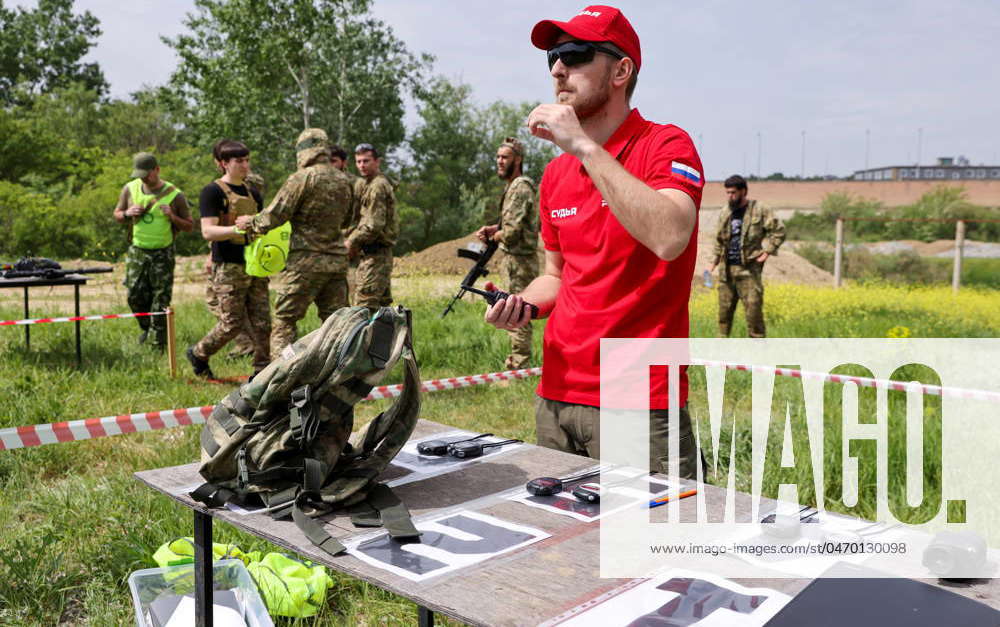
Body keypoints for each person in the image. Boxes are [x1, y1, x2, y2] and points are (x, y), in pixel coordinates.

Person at [484, 6, 704, 478]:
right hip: (557, 396)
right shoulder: (555, 173)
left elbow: (670, 237)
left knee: (655, 550)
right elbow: (556, 276)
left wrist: (584, 145)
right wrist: (522, 304)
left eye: (576, 54)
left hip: (638, 403)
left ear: (621, 70)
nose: (558, 69)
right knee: (562, 550)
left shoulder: (665, 146)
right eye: (552, 58)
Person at [235, 128, 354, 358]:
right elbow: (348, 219)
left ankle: (280, 376)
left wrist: (250, 222)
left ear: (303, 151)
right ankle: (341, 373)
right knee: (337, 323)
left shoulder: (302, 178)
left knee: (285, 320)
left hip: (305, 264)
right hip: (337, 262)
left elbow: (276, 214)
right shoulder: (345, 180)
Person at [187, 140, 271, 379]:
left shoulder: (253, 193)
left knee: (263, 323)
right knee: (232, 323)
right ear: (224, 164)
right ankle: (199, 353)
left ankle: (262, 371)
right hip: (227, 265)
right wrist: (237, 229)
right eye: (239, 161)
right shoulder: (212, 192)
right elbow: (208, 231)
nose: (245, 165)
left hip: (255, 264)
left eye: (247, 160)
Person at [113, 152, 193, 349]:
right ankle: (146, 327)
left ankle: (159, 344)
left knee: (161, 298)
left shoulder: (176, 194)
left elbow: (190, 225)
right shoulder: (130, 189)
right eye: (139, 174)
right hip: (137, 250)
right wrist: (126, 213)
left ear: (156, 170)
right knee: (134, 294)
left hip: (163, 252)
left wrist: (173, 216)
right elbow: (117, 214)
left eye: (146, 174)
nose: (143, 178)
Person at [476, 136, 539, 369]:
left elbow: (512, 233)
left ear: (518, 160)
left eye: (505, 157)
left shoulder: (520, 187)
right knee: (511, 310)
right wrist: (495, 229)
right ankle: (515, 361)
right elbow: (510, 225)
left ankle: (520, 367)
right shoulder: (512, 187)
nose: (499, 162)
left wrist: (494, 236)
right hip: (514, 260)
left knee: (516, 311)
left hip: (520, 261)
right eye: (498, 157)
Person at [708, 175, 786, 338]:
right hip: (727, 271)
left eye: (733, 192)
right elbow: (719, 240)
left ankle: (757, 356)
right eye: (728, 193)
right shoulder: (725, 212)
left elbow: (779, 231)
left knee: (754, 314)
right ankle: (719, 355)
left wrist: (767, 252)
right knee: (723, 316)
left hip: (749, 271)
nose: (730, 196)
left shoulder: (760, 209)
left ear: (743, 191)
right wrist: (712, 264)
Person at [204, 170, 265, 359]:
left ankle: (247, 346)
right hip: (233, 256)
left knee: (227, 308)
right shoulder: (222, 192)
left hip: (240, 259)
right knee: (231, 308)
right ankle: (247, 345)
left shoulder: (248, 194)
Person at [346, 143, 397, 311]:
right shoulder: (364, 184)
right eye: (359, 161)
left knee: (364, 308)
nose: (362, 165)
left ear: (377, 162)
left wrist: (351, 242)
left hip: (377, 254)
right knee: (379, 309)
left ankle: (371, 338)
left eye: (366, 161)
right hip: (368, 254)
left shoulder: (377, 186)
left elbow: (374, 225)